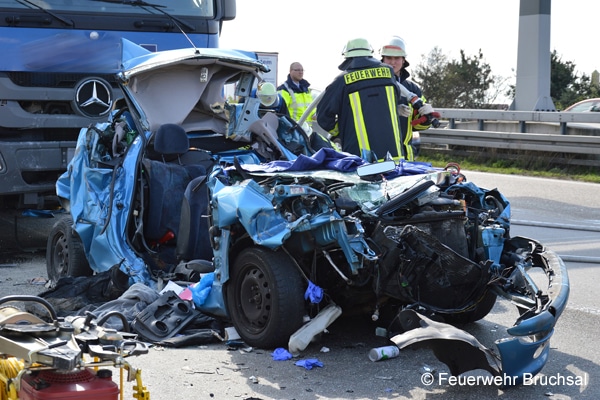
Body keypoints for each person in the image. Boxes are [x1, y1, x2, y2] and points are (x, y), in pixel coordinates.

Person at [315, 37, 405, 162]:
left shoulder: (342, 80)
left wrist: (340, 131)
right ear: (370, 53)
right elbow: (396, 98)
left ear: (347, 57)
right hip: (394, 156)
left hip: (361, 160)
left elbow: (323, 116)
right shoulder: (389, 73)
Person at [380, 36, 437, 161]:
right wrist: (394, 110)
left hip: (405, 155)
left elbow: (416, 126)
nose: (393, 62)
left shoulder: (412, 88)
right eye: (389, 58)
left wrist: (426, 117)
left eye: (397, 58)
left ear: (403, 60)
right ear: (382, 59)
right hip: (381, 154)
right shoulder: (374, 85)